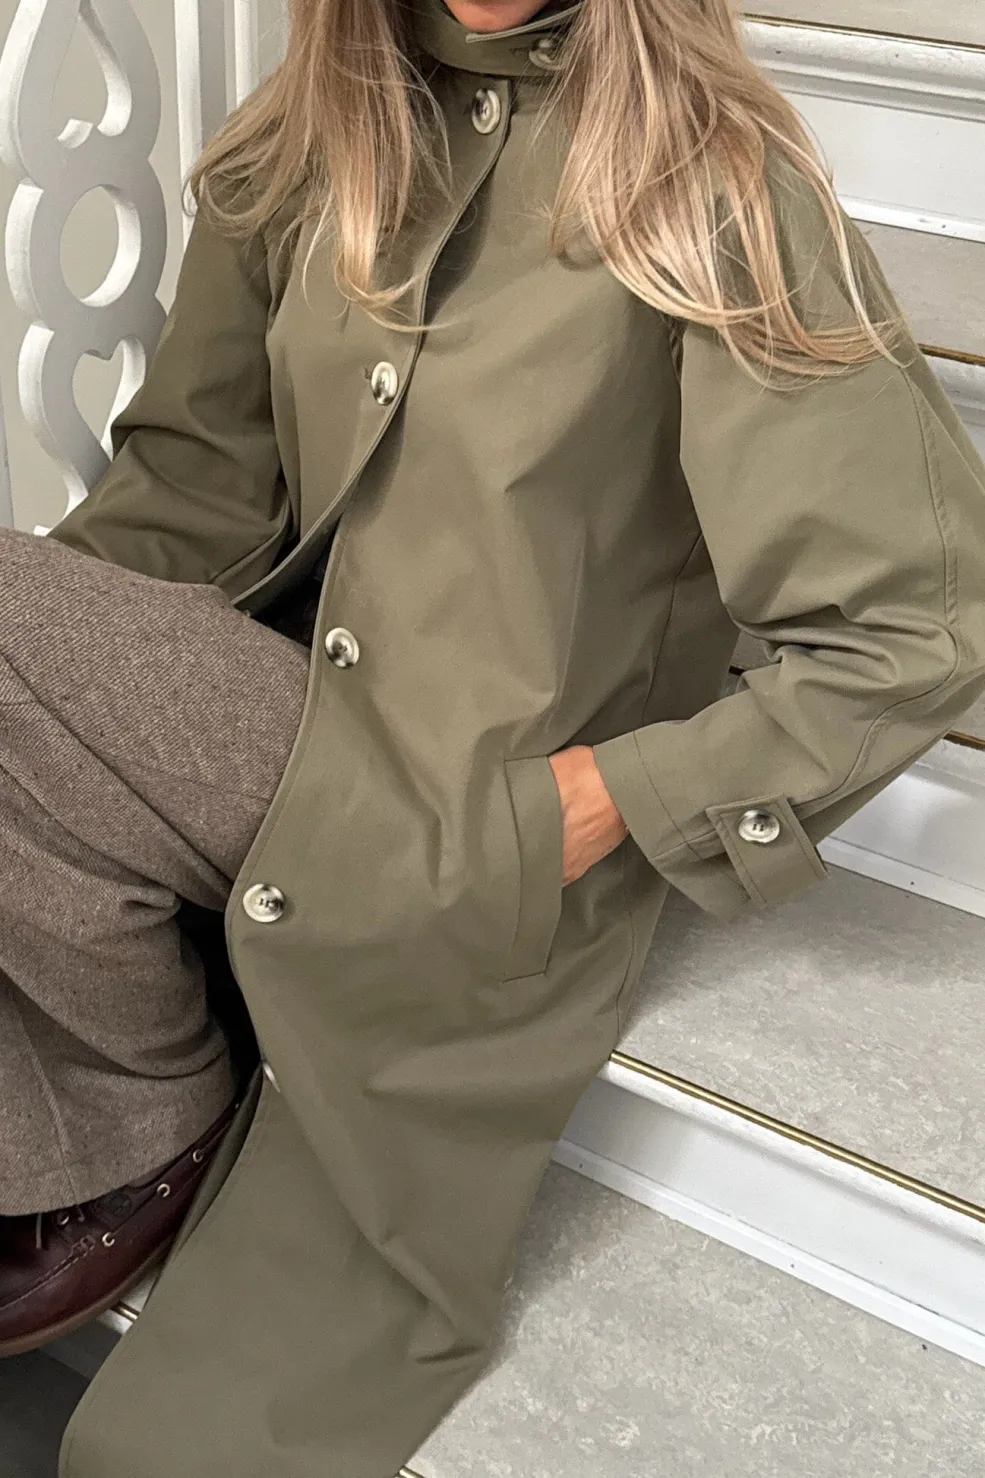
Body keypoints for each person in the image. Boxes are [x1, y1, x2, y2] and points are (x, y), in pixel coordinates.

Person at [3, 0, 985, 1472]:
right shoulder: (310, 139)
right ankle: (138, 1079)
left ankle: (144, 1104)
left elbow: (920, 626)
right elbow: (188, 499)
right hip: (283, 742)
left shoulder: (711, 192)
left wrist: (604, 803)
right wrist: (56, 730)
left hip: (465, 821)